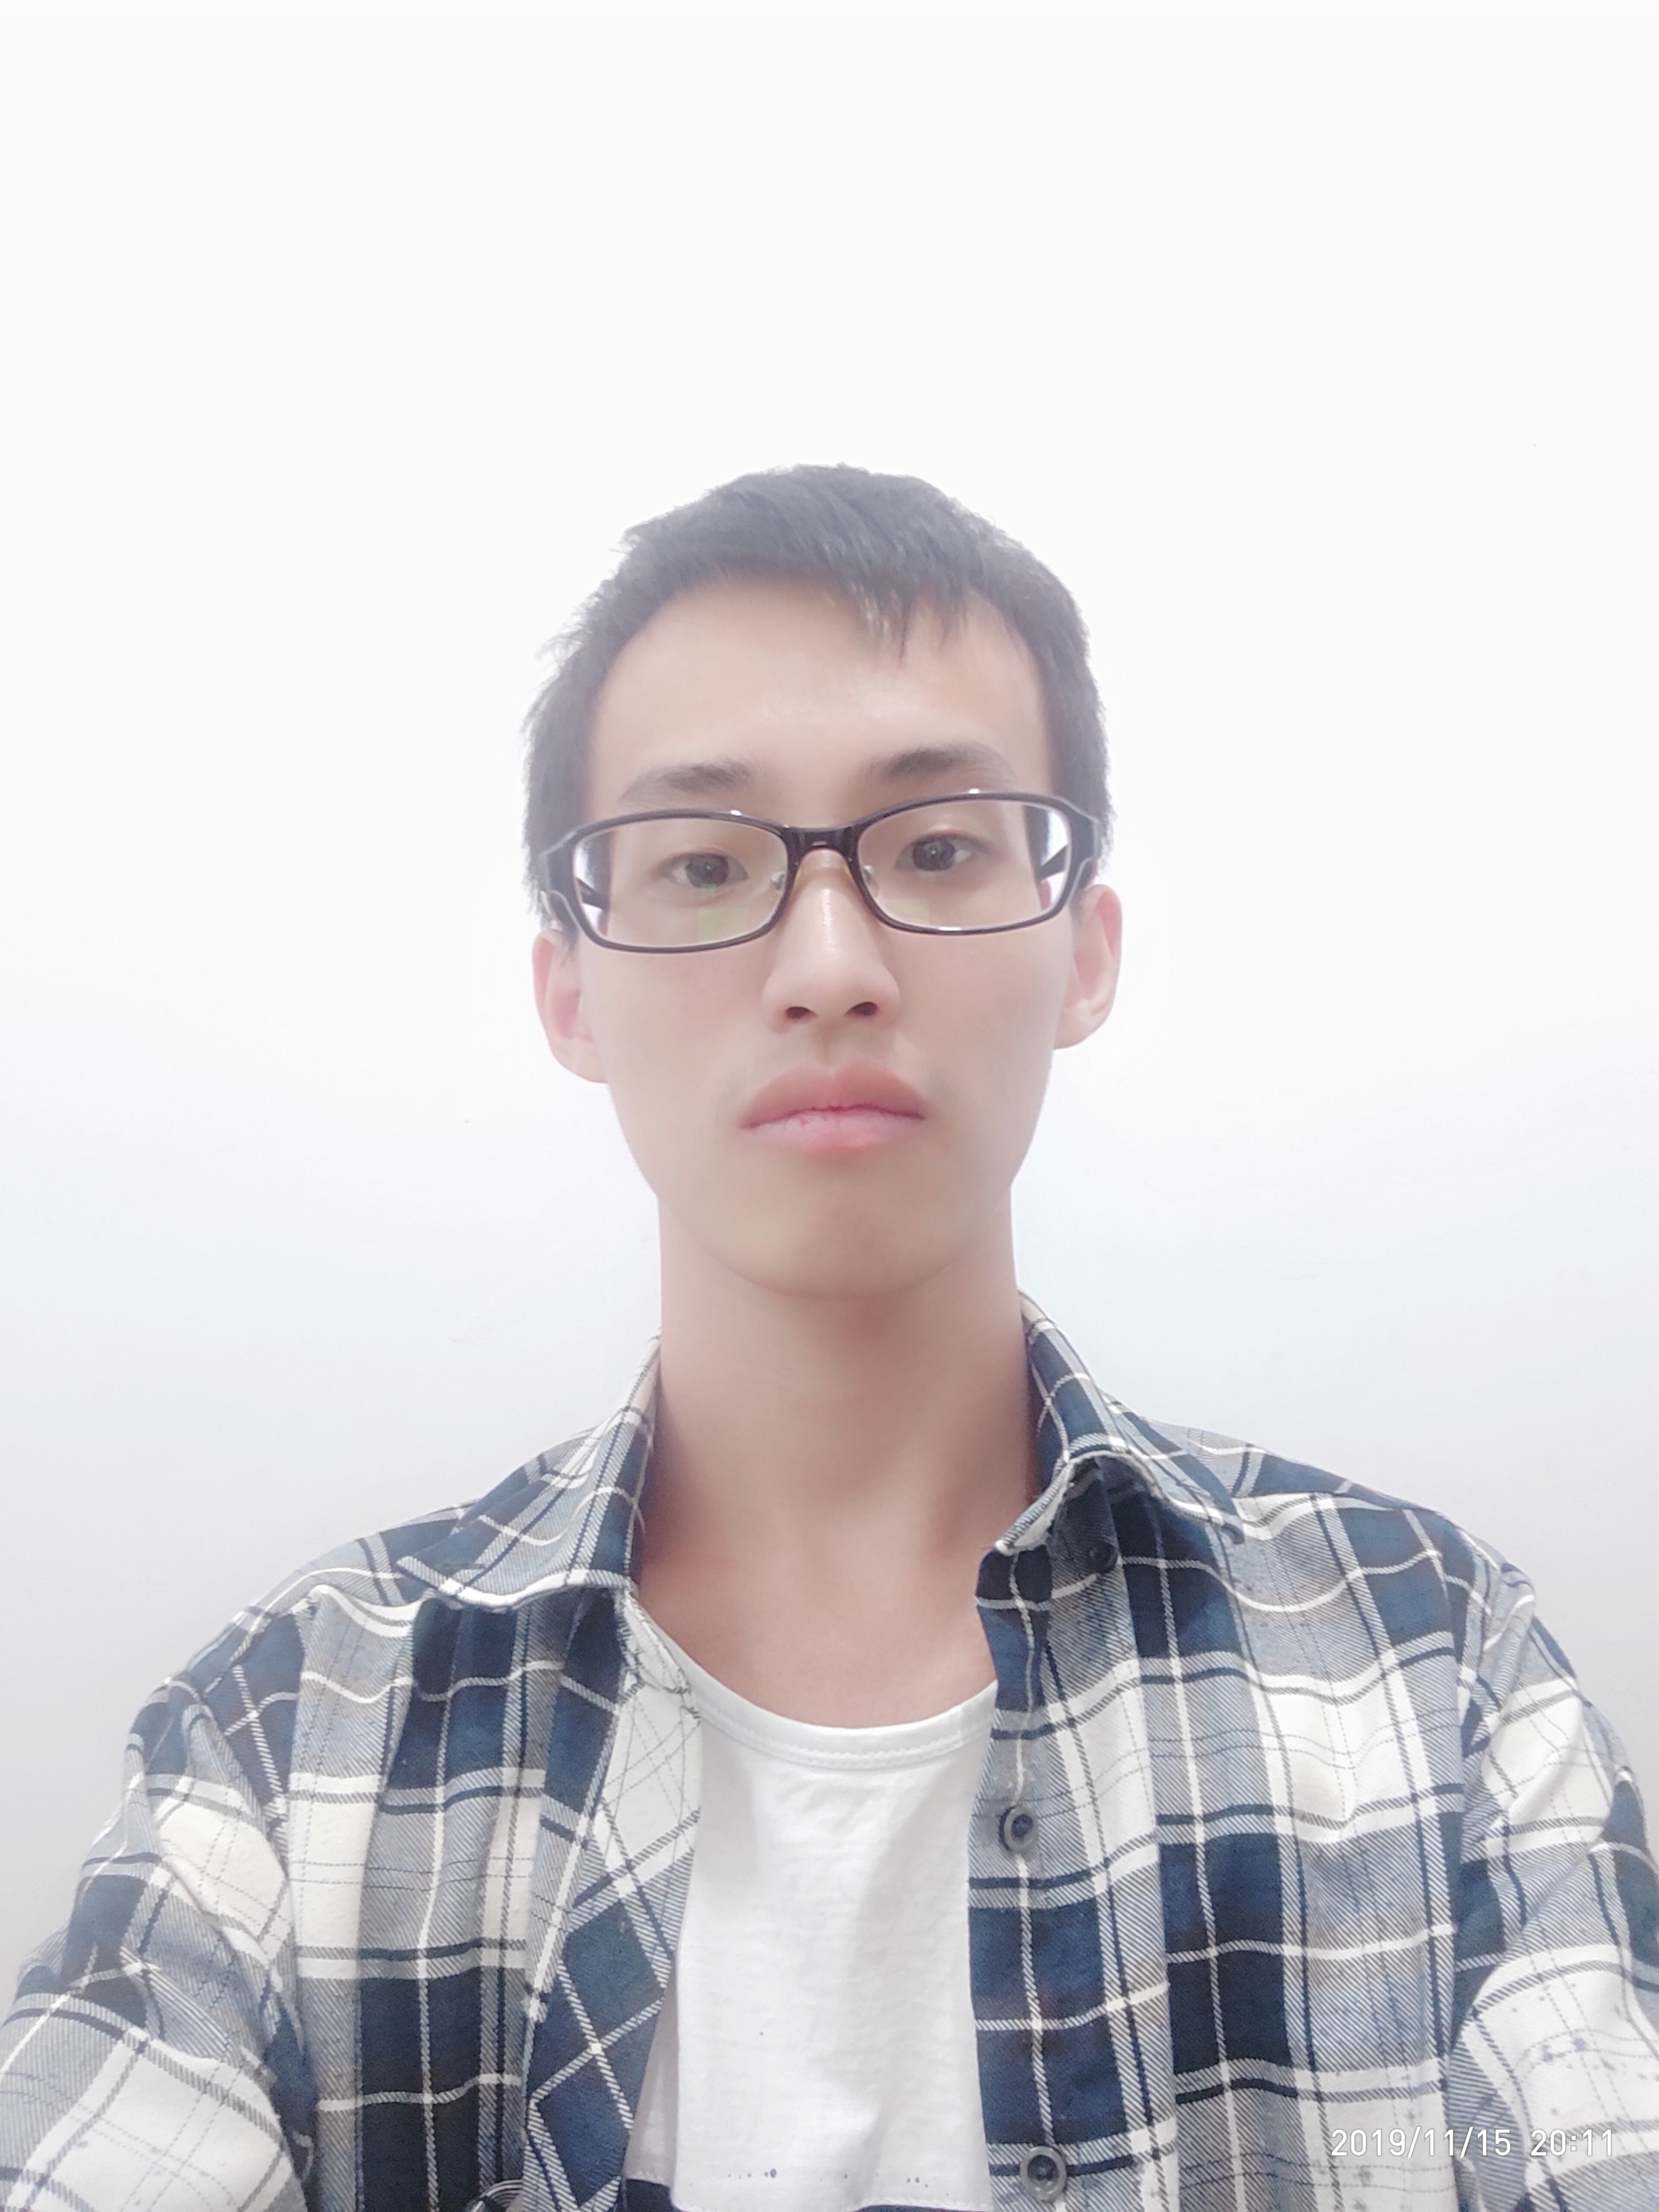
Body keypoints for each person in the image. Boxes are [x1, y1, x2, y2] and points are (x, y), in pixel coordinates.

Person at [1, 466, 1654, 2212]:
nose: (830, 963)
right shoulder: (298, 1735)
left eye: (937, 847)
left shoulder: (1433, 1668)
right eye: (706, 863)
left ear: (1087, 953)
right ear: (570, 991)